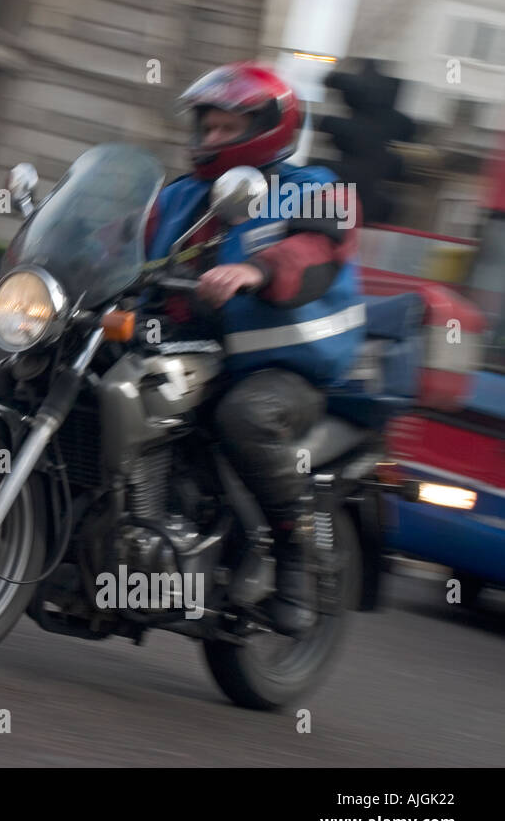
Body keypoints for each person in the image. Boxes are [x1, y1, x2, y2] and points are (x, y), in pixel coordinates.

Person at [144, 61, 366, 635]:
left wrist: (256, 271)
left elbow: (314, 252)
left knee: (244, 416)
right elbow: (119, 246)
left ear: (266, 129)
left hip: (281, 369)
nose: (211, 139)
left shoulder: (319, 187)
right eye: (208, 128)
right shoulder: (177, 197)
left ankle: (297, 555)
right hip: (190, 350)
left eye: (226, 129)